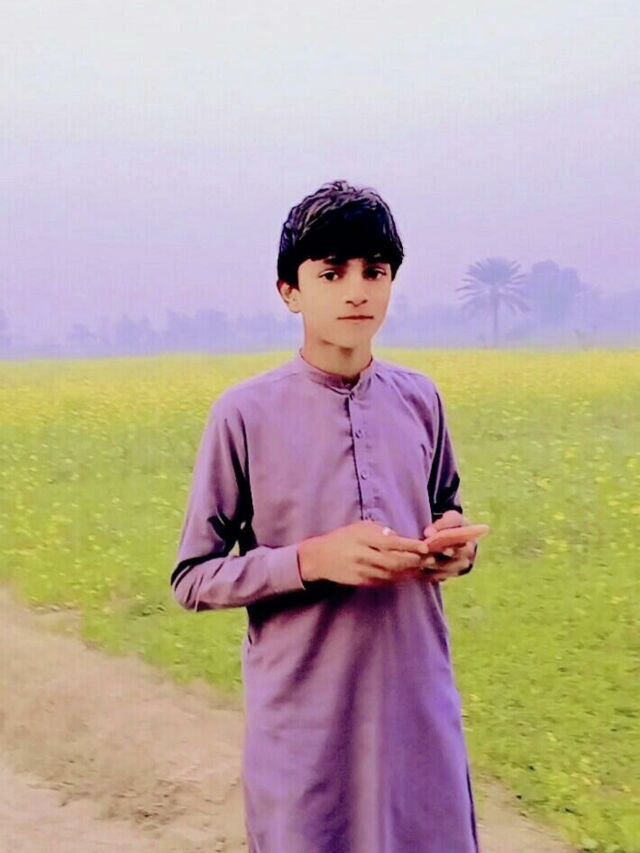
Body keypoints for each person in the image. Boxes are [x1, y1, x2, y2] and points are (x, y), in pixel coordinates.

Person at [171, 179, 481, 852]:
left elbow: (445, 506)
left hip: (418, 707)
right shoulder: (244, 414)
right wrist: (311, 560)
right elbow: (192, 578)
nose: (357, 291)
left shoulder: (420, 399)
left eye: (375, 271)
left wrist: (455, 547)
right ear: (290, 291)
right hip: (305, 726)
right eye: (332, 273)